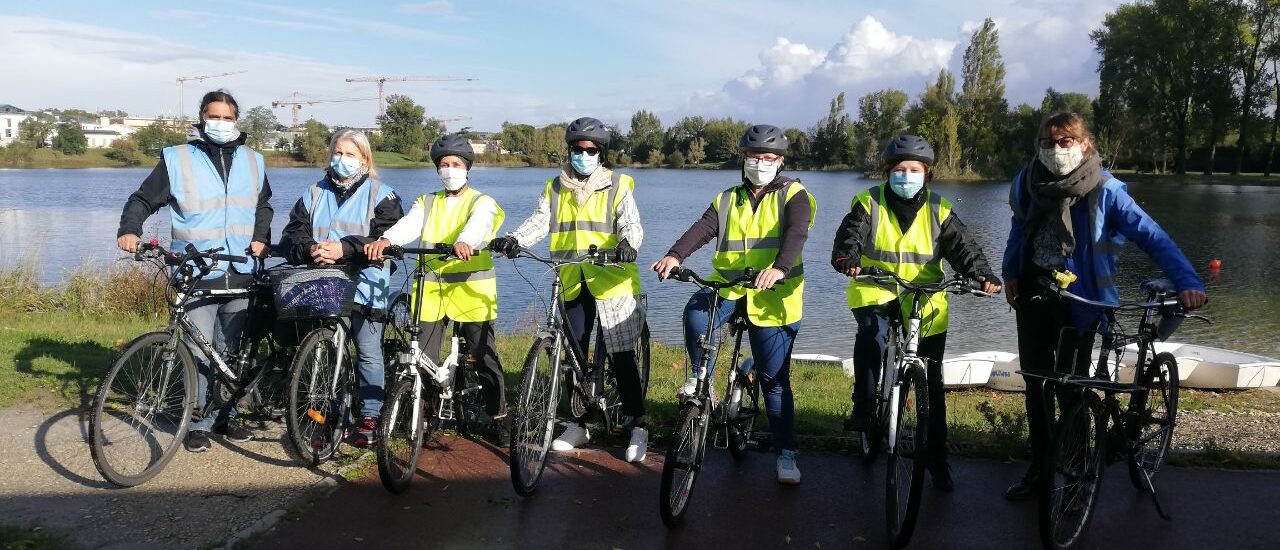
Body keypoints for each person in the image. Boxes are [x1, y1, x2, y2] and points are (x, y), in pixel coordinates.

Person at [1001, 112, 1206, 500]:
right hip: (1033, 293)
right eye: (1049, 142)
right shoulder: (1028, 182)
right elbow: (1019, 229)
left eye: (1066, 142)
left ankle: (1077, 469)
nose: (1056, 150)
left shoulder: (1106, 190)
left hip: (1083, 300)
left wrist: (1189, 282)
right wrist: (1010, 272)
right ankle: (1042, 469)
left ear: (1085, 144)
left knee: (1071, 387)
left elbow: (1153, 236)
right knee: (1036, 384)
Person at [831, 134, 1002, 491]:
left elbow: (964, 248)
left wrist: (982, 274)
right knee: (872, 337)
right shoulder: (868, 202)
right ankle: (864, 406)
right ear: (887, 173)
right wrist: (848, 258)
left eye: (913, 170)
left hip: (925, 298)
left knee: (932, 385)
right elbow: (850, 236)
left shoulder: (940, 209)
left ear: (927, 173)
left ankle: (937, 461)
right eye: (898, 170)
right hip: (875, 287)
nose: (905, 176)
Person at [651, 124, 814, 484]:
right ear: (744, 159)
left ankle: (785, 452)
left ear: (780, 161)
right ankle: (700, 377)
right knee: (695, 310)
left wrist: (779, 268)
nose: (761, 163)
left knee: (774, 381)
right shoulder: (727, 198)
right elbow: (703, 227)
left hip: (774, 296)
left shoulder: (794, 195)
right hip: (730, 288)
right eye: (755, 157)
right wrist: (674, 255)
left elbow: (796, 233)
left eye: (768, 158)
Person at [116, 89, 273, 453]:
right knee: (198, 353)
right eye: (213, 116)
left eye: (227, 117)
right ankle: (198, 421)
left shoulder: (254, 160)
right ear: (202, 118)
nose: (220, 122)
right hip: (197, 270)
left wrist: (261, 238)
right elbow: (143, 199)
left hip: (242, 269)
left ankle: (228, 416)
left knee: (228, 350)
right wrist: (130, 229)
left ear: (236, 120)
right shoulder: (178, 159)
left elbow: (263, 206)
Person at [490, 117, 650, 463]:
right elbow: (539, 220)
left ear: (601, 153)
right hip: (570, 277)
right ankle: (578, 422)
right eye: (577, 149)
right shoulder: (554, 186)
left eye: (591, 150)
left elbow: (632, 224)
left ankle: (637, 423)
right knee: (569, 358)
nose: (583, 154)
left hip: (611, 278)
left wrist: (627, 243)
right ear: (569, 150)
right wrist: (513, 239)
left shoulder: (618, 185)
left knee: (622, 354)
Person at [365, 134, 508, 441]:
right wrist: (388, 240)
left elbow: (481, 223)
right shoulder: (426, 202)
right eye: (443, 165)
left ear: (467, 168)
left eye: (455, 164)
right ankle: (424, 417)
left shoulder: (482, 202)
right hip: (431, 291)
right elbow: (410, 224)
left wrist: (466, 241)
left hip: (472, 292)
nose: (449, 169)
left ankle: (499, 415)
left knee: (484, 355)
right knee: (423, 358)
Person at [280, 129, 402, 447]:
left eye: (350, 154)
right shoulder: (314, 193)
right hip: (325, 283)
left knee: (367, 350)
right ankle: (328, 413)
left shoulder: (382, 194)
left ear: (364, 159)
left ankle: (370, 416)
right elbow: (292, 232)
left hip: (367, 285)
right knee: (326, 349)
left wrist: (344, 249)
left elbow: (388, 237)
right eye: (337, 153)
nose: (342, 160)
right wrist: (310, 249)